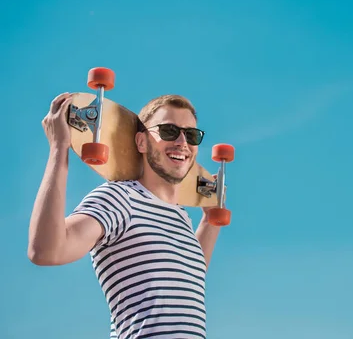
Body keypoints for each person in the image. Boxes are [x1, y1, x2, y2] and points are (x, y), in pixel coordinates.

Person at [28, 92, 222, 339]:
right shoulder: (120, 198)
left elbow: (186, 281)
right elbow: (46, 251)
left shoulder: (181, 217)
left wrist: (210, 221)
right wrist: (59, 149)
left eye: (191, 135)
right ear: (141, 142)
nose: (182, 142)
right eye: (168, 131)